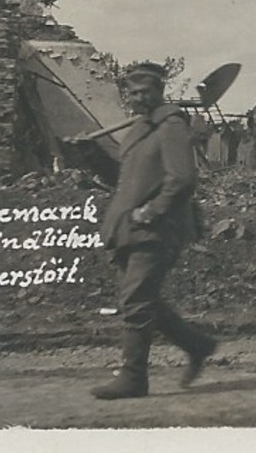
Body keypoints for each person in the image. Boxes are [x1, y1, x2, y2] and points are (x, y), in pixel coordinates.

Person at [90, 61, 217, 400]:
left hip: (157, 229)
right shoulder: (137, 130)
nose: (139, 98)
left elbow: (182, 178)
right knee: (143, 301)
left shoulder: (171, 125)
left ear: (159, 92)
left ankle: (133, 378)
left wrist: (152, 209)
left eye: (146, 91)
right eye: (133, 93)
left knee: (136, 299)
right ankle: (198, 345)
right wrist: (86, 154)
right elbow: (122, 179)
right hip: (127, 227)